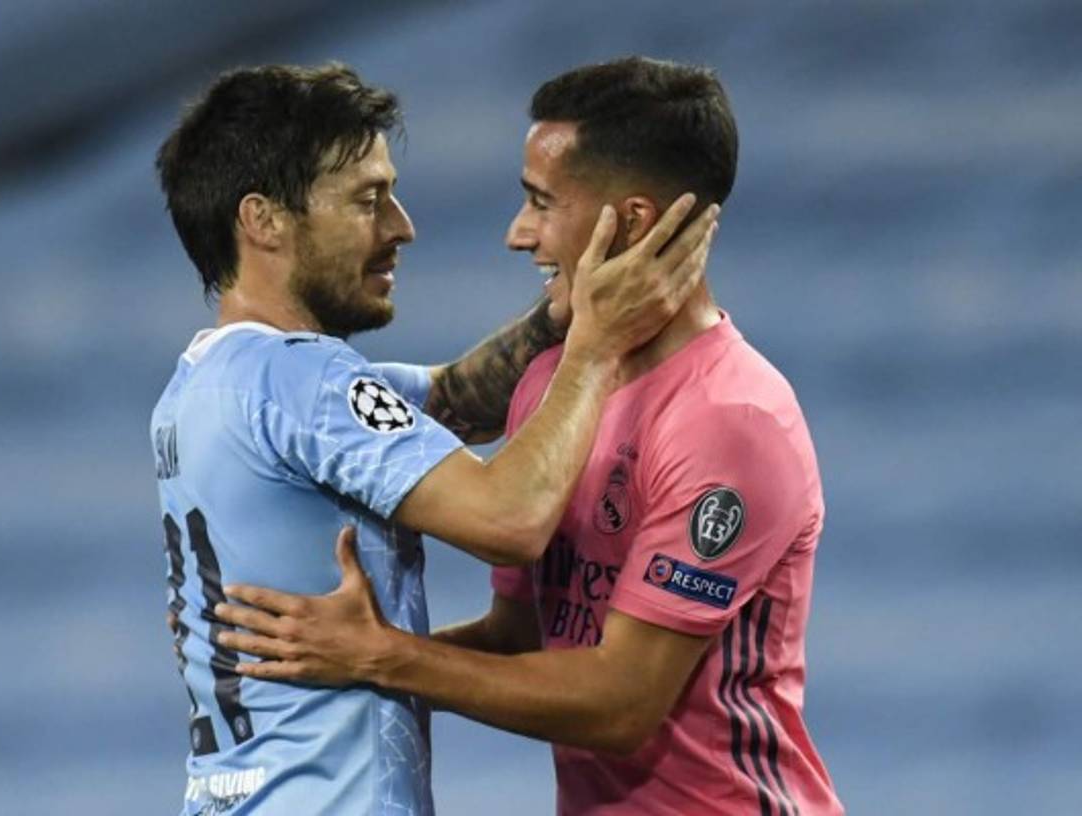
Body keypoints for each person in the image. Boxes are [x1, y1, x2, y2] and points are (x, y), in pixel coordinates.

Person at [215, 57, 845, 815]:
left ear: (633, 222)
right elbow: (523, 637)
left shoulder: (732, 419)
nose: (520, 235)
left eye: (541, 203)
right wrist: (339, 652)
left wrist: (388, 658)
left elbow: (621, 703)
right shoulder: (554, 388)